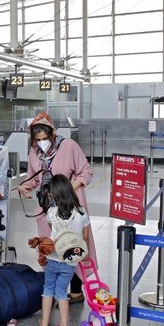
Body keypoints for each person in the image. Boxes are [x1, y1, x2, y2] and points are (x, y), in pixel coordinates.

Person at [17, 111, 96, 304]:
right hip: (46, 206)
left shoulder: (68, 146)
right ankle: (51, 291)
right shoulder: (34, 152)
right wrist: (23, 186)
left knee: (72, 244)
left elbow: (85, 173)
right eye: (38, 139)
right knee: (49, 245)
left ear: (52, 134)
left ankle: (76, 291)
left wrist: (65, 190)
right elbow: (35, 177)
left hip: (68, 203)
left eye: (45, 138)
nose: (42, 142)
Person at [39, 174, 90, 326]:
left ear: (54, 194)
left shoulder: (52, 212)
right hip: (70, 261)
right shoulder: (82, 213)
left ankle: (44, 322)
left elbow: (51, 230)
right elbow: (85, 236)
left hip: (53, 258)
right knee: (61, 291)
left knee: (48, 289)